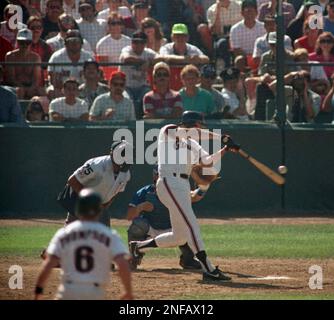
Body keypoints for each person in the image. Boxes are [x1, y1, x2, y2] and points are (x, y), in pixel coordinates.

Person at [129, 110, 240, 281]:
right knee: (191, 225)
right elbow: (192, 132)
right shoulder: (168, 131)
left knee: (180, 236)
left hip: (183, 184)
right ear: (194, 123)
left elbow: (207, 162)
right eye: (200, 124)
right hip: (168, 181)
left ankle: (138, 247)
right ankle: (208, 268)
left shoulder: (194, 144)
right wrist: (219, 137)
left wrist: (225, 149)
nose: (201, 127)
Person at [34, 188, 133, 300]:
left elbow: (48, 264)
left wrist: (38, 290)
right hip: (95, 291)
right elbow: (123, 264)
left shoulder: (65, 233)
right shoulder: (109, 234)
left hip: (68, 290)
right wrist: (128, 291)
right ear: (99, 210)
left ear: (78, 209)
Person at [127, 165, 202, 270]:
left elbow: (194, 197)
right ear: (154, 176)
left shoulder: (177, 191)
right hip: (151, 229)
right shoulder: (145, 192)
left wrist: (203, 187)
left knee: (188, 226)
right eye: (160, 176)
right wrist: (141, 207)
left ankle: (188, 259)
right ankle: (134, 256)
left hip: (172, 229)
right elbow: (129, 216)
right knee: (138, 225)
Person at [57, 140, 132, 225]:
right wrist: (90, 201)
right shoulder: (96, 165)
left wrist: (102, 207)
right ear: (112, 153)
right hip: (80, 204)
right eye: (123, 153)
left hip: (100, 208)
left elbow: (115, 192)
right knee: (73, 236)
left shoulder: (126, 174)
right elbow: (73, 181)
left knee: (103, 237)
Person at [119, 31, 160, 118]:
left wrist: (150, 62)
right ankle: (132, 124)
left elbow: (161, 58)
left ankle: (146, 122)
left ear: (145, 43)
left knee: (149, 96)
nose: (138, 44)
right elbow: (127, 58)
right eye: (135, 42)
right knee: (128, 99)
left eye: (141, 42)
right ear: (131, 43)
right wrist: (144, 62)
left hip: (143, 86)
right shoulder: (127, 49)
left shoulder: (148, 53)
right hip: (126, 86)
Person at [197, 0, 242, 65]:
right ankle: (226, 68)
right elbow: (215, 31)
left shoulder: (239, 5)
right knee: (221, 43)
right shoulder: (211, 10)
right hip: (222, 37)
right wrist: (218, 11)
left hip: (239, 36)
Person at [5, 28, 45, 99]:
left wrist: (31, 88)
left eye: (27, 42)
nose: (24, 45)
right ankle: (19, 110)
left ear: (31, 42)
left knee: (43, 92)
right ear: (17, 42)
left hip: (30, 86)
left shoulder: (35, 57)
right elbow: (11, 79)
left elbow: (36, 79)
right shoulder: (10, 56)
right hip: (14, 87)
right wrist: (23, 88)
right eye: (21, 42)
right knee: (19, 91)